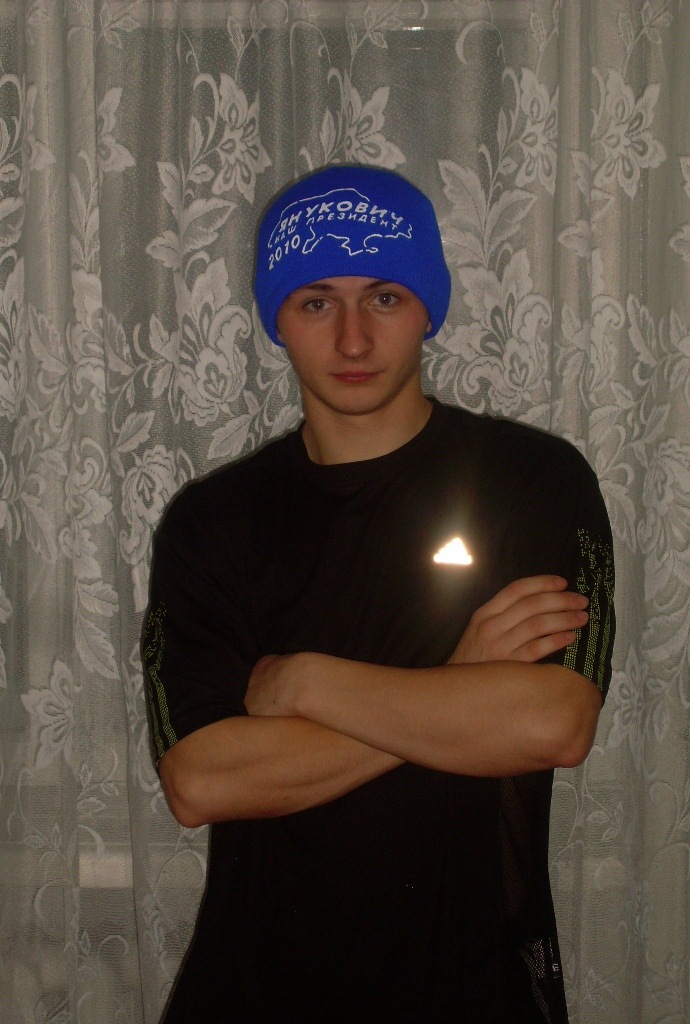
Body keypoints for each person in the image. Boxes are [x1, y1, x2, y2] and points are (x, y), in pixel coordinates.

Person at [142, 165, 615, 1023]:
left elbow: (554, 723)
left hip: (474, 991)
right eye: (316, 302)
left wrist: (305, 682)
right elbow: (201, 781)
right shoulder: (212, 522)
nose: (353, 340)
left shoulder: (531, 482)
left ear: (429, 307)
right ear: (277, 320)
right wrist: (459, 676)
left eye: (385, 298)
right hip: (252, 997)